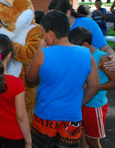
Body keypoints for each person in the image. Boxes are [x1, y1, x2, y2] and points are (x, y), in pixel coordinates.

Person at [26, 10, 99, 148]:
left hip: (45, 115)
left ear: (50, 34)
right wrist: (80, 103)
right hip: (72, 117)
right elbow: (94, 86)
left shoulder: (43, 54)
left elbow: (30, 78)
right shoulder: (86, 53)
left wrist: (39, 50)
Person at [0, 34, 31, 148]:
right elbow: (21, 116)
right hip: (13, 134)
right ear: (9, 55)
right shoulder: (17, 83)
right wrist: (28, 141)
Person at [69, 27, 115, 148]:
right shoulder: (79, 55)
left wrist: (94, 87)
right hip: (81, 104)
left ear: (85, 45)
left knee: (93, 141)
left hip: (95, 106)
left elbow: (114, 81)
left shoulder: (102, 58)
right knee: (82, 137)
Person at [48, 0, 115, 70]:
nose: (53, 19)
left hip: (89, 71)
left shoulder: (88, 23)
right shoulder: (53, 27)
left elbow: (105, 48)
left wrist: (113, 56)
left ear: (68, 13)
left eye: (56, 16)